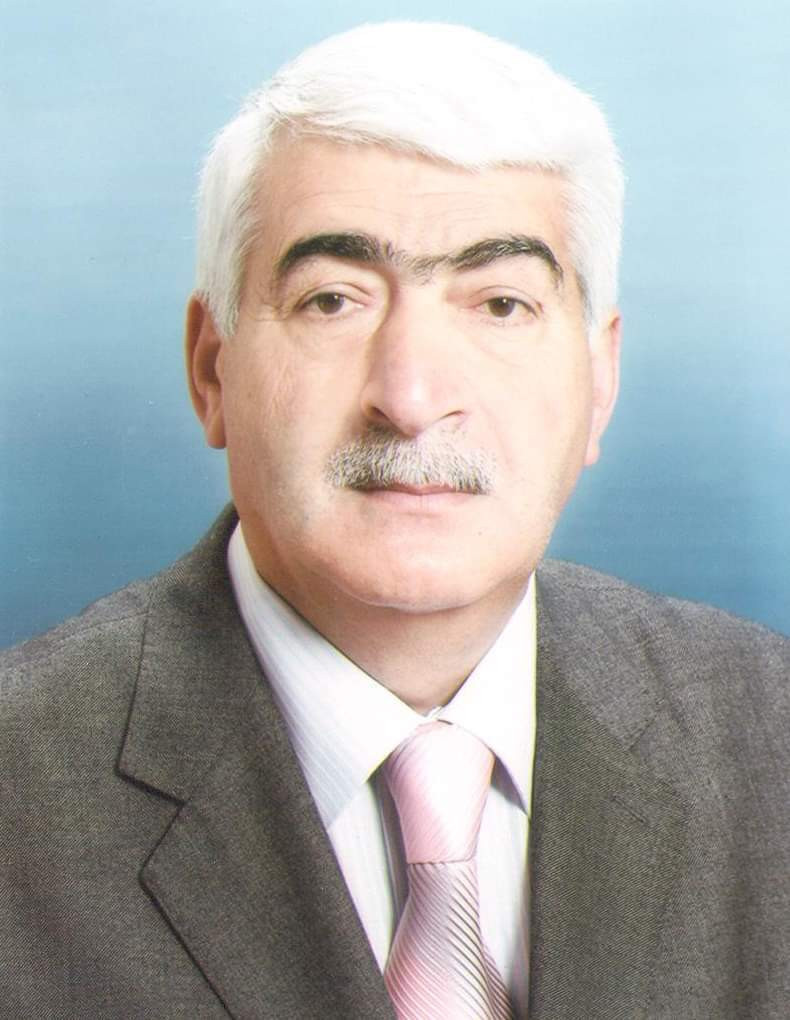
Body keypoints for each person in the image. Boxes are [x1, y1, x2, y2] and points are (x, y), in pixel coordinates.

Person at [1, 21, 788, 1020]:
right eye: (333, 300)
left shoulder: (769, 736)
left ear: (599, 382)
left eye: (499, 304)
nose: (411, 398)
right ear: (212, 370)